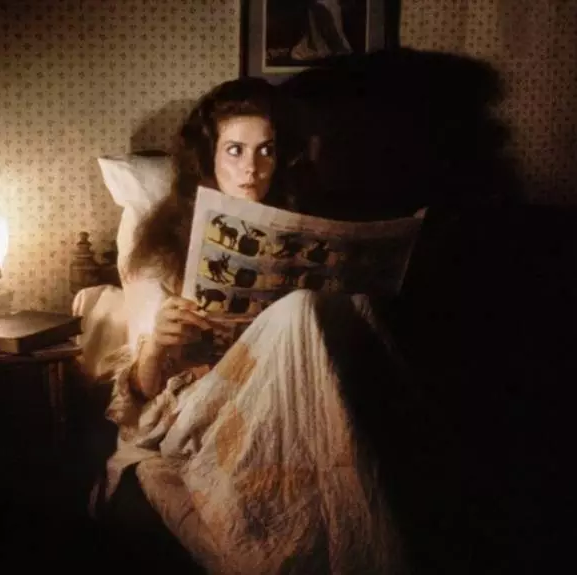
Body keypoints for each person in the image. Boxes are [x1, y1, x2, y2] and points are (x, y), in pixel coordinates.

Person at [95, 77, 406, 574]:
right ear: (209, 157)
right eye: (235, 150)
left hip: (303, 387)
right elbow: (137, 401)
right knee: (297, 309)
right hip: (210, 403)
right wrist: (156, 345)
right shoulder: (163, 243)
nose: (251, 168)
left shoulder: (302, 225)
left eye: (266, 150)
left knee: (338, 306)